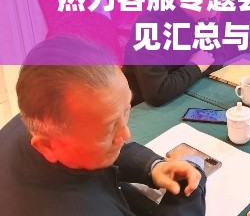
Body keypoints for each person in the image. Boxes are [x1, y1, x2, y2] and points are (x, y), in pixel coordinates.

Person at [0, 36, 206, 216]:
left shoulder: (39, 117)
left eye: (126, 111)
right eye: (108, 129)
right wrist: (190, 184)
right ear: (48, 146)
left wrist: (153, 166)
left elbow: (94, 151)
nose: (126, 134)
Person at [123, 0, 221, 107]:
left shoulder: (205, 16)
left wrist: (194, 69)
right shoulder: (150, 26)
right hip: (144, 109)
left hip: (187, 92)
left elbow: (218, 57)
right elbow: (157, 93)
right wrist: (196, 66)